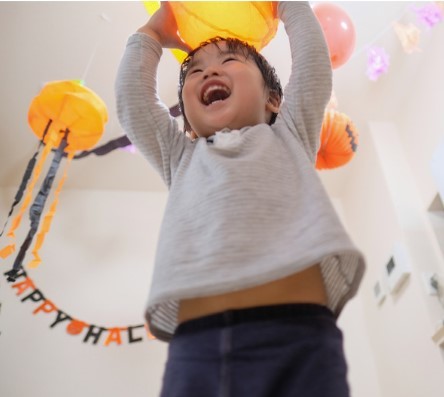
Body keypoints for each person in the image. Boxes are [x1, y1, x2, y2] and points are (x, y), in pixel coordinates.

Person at [115, 2, 365, 396]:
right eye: (195, 71)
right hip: (198, 345)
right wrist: (151, 35)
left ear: (273, 100)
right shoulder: (182, 157)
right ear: (189, 121)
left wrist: (289, 7)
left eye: (229, 61)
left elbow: (314, 64)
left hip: (299, 336)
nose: (209, 71)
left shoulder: (290, 133)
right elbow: (134, 103)